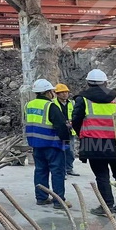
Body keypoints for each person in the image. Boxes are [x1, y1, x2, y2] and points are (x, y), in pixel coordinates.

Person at [72, 69, 116, 217]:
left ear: (88, 83)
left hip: (93, 143)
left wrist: (82, 136)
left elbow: (76, 121)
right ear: (106, 82)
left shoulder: (82, 99)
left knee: (101, 175)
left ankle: (106, 206)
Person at [25, 79, 71, 209]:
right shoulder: (51, 106)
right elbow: (61, 126)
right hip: (52, 145)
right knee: (57, 172)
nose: (53, 94)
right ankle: (59, 201)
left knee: (40, 170)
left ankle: (41, 198)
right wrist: (66, 140)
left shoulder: (29, 105)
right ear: (47, 92)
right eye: (52, 91)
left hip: (36, 144)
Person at [54, 83, 79, 177]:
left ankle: (69, 168)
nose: (65, 94)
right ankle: (62, 170)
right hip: (59, 131)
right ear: (57, 94)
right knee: (60, 151)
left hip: (70, 131)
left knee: (70, 151)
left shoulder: (72, 103)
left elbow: (76, 115)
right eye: (62, 92)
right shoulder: (53, 103)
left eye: (66, 92)